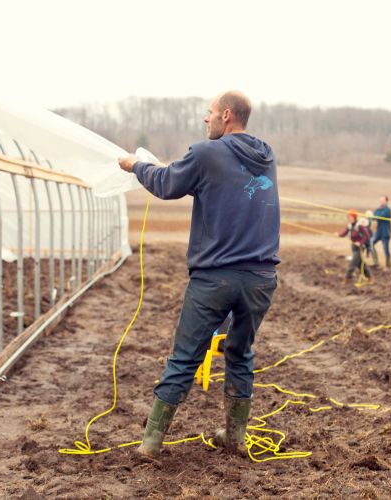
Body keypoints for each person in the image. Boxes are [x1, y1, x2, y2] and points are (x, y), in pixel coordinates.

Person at [118, 91, 280, 458]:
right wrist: (165, 167)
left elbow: (166, 185)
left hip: (215, 279)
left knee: (185, 356)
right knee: (240, 353)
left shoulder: (207, 153)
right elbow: (209, 181)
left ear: (225, 115)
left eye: (208, 114)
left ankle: (151, 443)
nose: (205, 120)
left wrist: (135, 166)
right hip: (261, 278)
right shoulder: (266, 156)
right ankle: (235, 438)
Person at [336, 209, 373, 285]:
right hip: (354, 247)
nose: (349, 218)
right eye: (348, 217)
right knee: (360, 264)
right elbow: (344, 233)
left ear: (355, 217)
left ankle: (347, 279)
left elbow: (367, 236)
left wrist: (360, 242)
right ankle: (370, 277)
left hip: (360, 248)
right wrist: (338, 234)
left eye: (351, 217)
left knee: (352, 264)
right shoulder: (350, 226)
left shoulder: (359, 226)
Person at [372, 196, 391, 268]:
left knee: (385, 249)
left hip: (385, 233)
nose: (381, 201)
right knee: (371, 244)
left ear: (386, 201)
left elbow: (380, 217)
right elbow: (373, 217)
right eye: (380, 200)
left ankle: (388, 266)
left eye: (383, 200)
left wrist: (374, 216)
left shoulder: (388, 210)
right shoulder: (378, 209)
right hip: (378, 232)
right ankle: (375, 262)